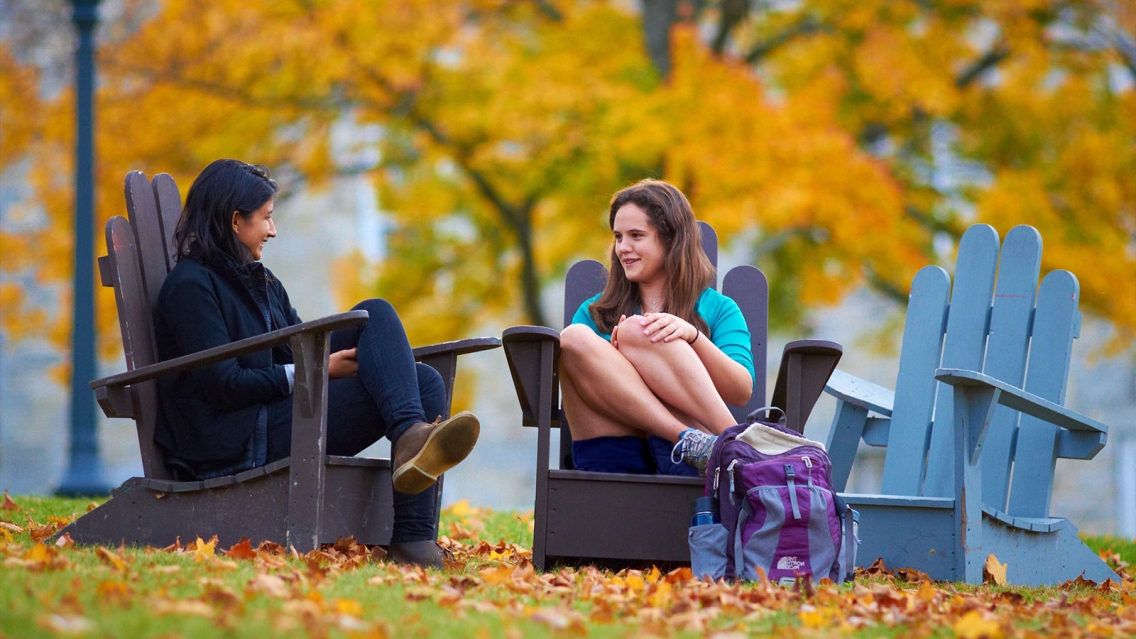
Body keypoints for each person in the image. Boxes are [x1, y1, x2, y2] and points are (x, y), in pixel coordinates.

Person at [153, 159, 479, 567]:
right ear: (236, 221)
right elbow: (221, 384)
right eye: (266, 219)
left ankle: (412, 533)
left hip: (265, 420)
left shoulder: (259, 281)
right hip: (234, 440)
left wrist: (323, 363)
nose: (272, 230)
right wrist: (315, 371)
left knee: (415, 368)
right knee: (420, 383)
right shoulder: (191, 287)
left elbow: (295, 347)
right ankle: (410, 440)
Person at [558, 179, 754, 476]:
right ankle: (696, 441)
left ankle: (735, 445)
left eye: (636, 235)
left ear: (671, 239)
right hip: (613, 451)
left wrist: (692, 337)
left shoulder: (718, 309)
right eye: (618, 237)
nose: (623, 248)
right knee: (574, 338)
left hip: (680, 463)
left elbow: (740, 391)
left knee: (636, 331)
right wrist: (616, 365)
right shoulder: (594, 313)